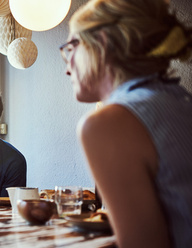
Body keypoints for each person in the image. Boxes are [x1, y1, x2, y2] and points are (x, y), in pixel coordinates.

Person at [61, 0, 192, 247]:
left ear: (102, 43)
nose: (67, 67)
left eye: (72, 46)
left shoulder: (107, 124)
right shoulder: (180, 101)